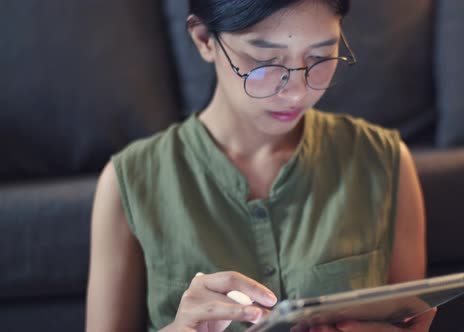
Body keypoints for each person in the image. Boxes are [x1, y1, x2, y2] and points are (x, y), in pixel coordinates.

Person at [85, 0, 435, 331]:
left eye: (320, 56)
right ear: (205, 39)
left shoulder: (383, 162)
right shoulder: (128, 184)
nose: (297, 92)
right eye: (267, 61)